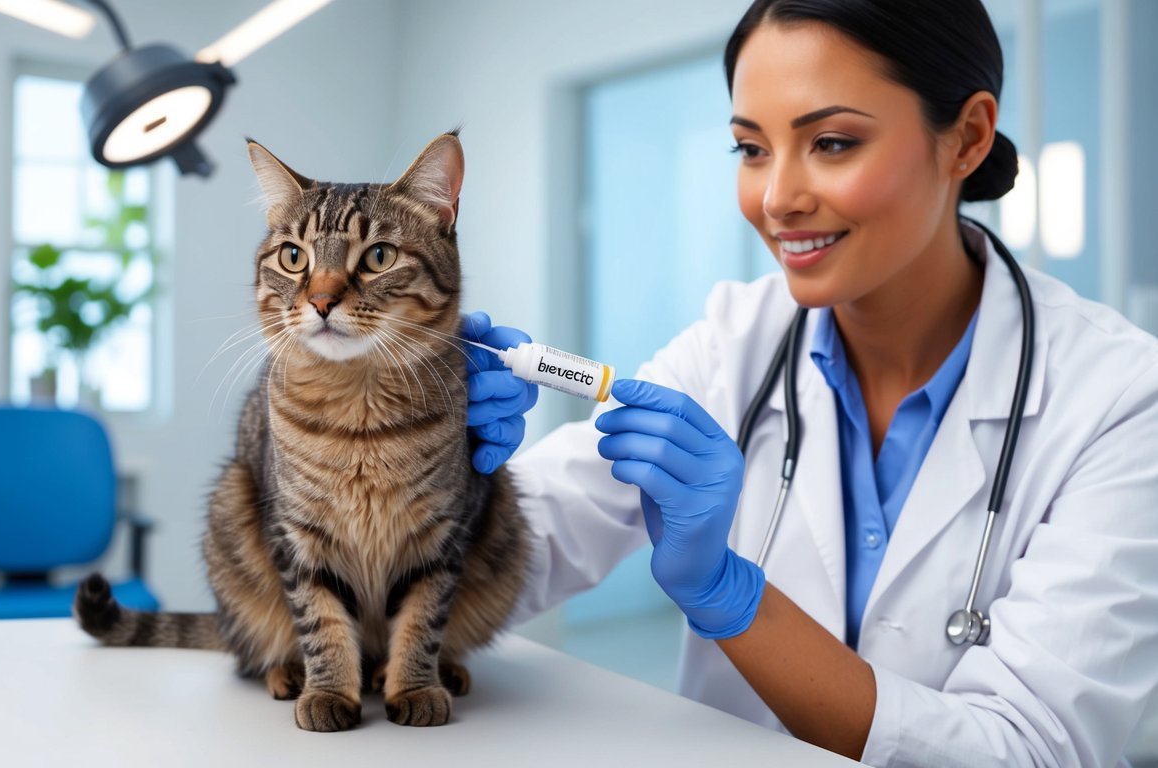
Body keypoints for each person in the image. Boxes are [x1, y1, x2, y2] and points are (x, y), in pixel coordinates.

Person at [461, 0, 1158, 765]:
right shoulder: (734, 344)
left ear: (966, 137)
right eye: (750, 149)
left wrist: (733, 599)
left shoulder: (1118, 400)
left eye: (830, 142)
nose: (776, 199)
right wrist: (424, 467)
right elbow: (499, 568)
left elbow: (1032, 751)